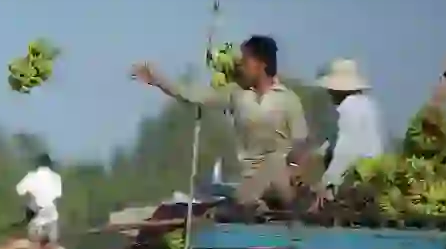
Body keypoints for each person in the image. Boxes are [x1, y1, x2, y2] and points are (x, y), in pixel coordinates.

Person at [131, 35, 311, 207]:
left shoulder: (288, 99)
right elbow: (193, 95)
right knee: (237, 195)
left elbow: (301, 143)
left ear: (261, 65)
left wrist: (295, 170)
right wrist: (158, 80)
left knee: (277, 171)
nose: (240, 67)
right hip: (251, 180)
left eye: (245, 62)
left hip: (281, 177)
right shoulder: (237, 95)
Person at [313, 59, 387, 203]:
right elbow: (334, 141)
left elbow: (345, 150)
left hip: (356, 177)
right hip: (376, 172)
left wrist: (327, 182)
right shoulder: (370, 104)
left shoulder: (347, 108)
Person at [15, 153, 63, 249]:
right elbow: (58, 194)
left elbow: (19, 190)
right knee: (51, 244)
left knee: (34, 242)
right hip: (52, 215)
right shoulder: (56, 177)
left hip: (37, 215)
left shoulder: (31, 176)